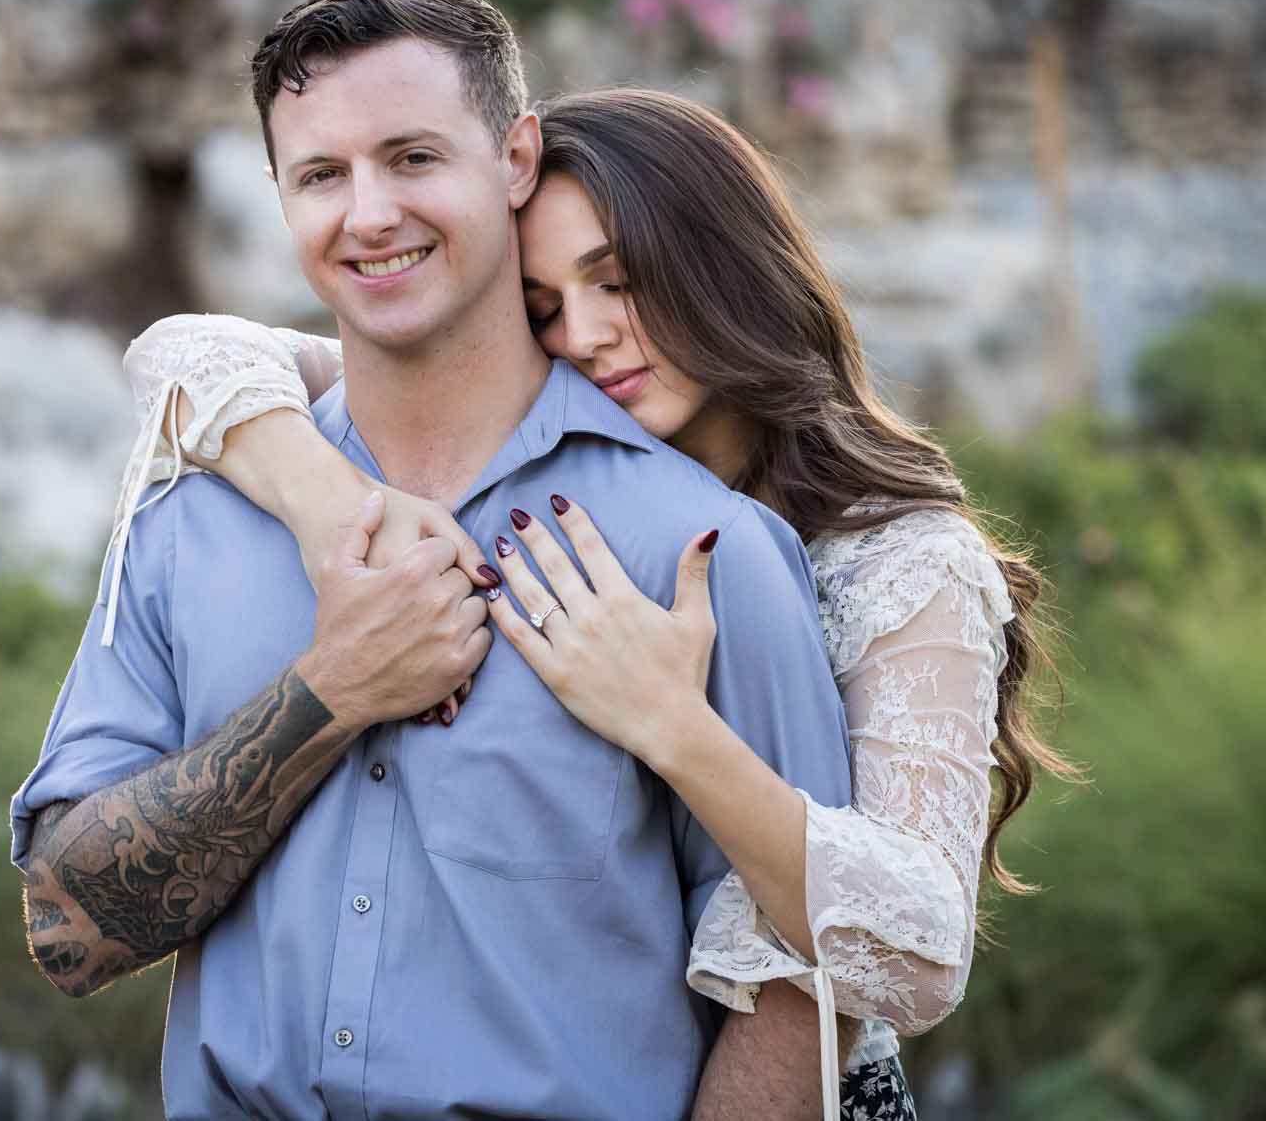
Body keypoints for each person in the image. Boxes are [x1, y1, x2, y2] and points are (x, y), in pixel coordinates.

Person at [133, 86, 1078, 1118]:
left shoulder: (900, 559)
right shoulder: (584, 498)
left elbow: (919, 952)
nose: (582, 336)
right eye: (540, 306)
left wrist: (670, 724)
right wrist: (327, 509)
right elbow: (183, 355)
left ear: (723, 266)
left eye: (616, 282)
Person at [10, 0, 855, 1120]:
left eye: (411, 158)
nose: (367, 214)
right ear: (279, 196)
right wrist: (330, 691)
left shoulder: (701, 548)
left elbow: (802, 987)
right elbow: (69, 935)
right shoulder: (190, 521)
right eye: (321, 175)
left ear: (513, 160)